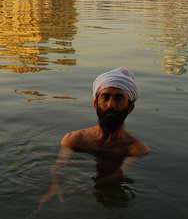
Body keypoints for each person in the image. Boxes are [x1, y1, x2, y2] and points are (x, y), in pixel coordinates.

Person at [40, 67, 150, 207]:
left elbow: (118, 175)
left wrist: (84, 186)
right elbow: (59, 167)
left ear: (130, 108)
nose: (111, 105)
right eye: (105, 97)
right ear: (95, 104)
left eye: (118, 98)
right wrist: (55, 185)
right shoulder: (74, 140)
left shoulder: (136, 149)